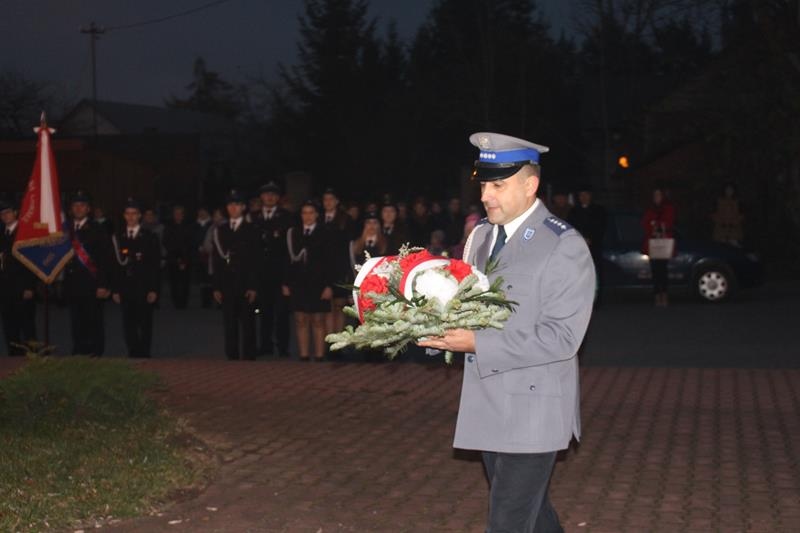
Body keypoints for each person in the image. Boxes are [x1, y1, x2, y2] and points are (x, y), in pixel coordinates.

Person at [419, 132, 595, 533]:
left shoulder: (563, 244)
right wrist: (430, 326)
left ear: (530, 185)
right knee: (534, 516)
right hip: (489, 402)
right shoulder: (480, 236)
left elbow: (562, 338)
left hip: (535, 409)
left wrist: (477, 343)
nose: (486, 195)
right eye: (484, 184)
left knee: (507, 521)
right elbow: (467, 306)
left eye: (498, 185)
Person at [282, 201, 334, 360]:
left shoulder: (325, 232)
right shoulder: (293, 233)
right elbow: (286, 259)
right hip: (298, 282)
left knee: (318, 320)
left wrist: (329, 285)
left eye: (311, 212)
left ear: (317, 215)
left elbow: (331, 261)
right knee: (300, 319)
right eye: (304, 213)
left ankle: (319, 356)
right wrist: (285, 282)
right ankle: (304, 356)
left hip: (319, 282)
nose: (308, 216)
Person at [212, 190, 261, 360]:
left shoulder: (251, 229)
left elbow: (256, 260)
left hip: (245, 282)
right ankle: (231, 355)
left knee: (248, 321)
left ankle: (249, 355)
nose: (233, 208)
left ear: (243, 207)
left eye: (237, 205)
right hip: (227, 282)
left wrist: (253, 286)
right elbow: (216, 260)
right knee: (229, 321)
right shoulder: (221, 230)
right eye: (230, 205)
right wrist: (216, 286)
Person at [64, 190, 112, 356]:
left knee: (94, 321)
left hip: (92, 283)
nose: (78, 208)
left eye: (82, 205)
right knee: (76, 321)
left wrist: (103, 284)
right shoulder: (65, 229)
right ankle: (79, 350)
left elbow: (105, 259)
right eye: (75, 205)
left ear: (88, 209)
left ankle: (95, 353)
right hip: (72, 283)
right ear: (71, 209)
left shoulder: (98, 229)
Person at [110, 198, 161, 357]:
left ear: (140, 216)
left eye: (134, 213)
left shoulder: (150, 237)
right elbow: (115, 266)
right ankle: (133, 352)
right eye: (128, 213)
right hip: (125, 287)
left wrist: (153, 289)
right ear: (124, 216)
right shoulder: (118, 237)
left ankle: (144, 353)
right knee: (128, 322)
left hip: (143, 286)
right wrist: (115, 289)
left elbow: (154, 266)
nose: (131, 217)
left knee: (145, 322)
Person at [254, 181, 292, 357]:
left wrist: (287, 278)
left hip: (280, 272)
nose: (269, 197)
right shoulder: (254, 217)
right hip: (261, 272)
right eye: (266, 194)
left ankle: (283, 347)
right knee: (264, 311)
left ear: (278, 198)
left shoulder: (286, 217)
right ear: (261, 197)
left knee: (282, 312)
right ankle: (265, 345)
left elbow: (288, 250)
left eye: (273, 194)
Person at [0, 200, 37, 355]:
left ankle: (32, 358)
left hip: (22, 287)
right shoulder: (2, 233)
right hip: (5, 287)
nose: (4, 216)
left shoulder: (24, 233)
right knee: (9, 326)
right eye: (2, 213)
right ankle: (14, 357)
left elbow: (33, 261)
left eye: (8, 212)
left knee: (27, 325)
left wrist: (30, 286)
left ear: (15, 213)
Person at [321, 188, 355, 341]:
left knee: (339, 306)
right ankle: (329, 341)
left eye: (331, 199)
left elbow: (348, 246)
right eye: (325, 199)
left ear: (336, 201)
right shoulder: (319, 218)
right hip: (323, 268)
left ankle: (339, 341)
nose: (328, 202)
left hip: (340, 267)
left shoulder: (345, 219)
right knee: (327, 307)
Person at [568, 184, 607, 303]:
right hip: (578, 249)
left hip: (594, 247)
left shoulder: (599, 211)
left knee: (595, 274)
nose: (583, 197)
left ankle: (596, 300)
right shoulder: (574, 211)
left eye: (586, 195)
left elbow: (602, 227)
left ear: (590, 196)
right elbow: (570, 228)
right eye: (581, 195)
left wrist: (592, 239)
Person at [642, 187, 676, 307]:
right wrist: (653, 229)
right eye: (655, 195)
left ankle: (664, 294)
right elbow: (645, 223)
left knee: (663, 270)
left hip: (664, 243)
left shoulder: (668, 208)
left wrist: (660, 227)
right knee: (655, 271)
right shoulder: (649, 209)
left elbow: (669, 222)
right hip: (653, 244)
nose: (657, 197)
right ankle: (657, 294)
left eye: (659, 195)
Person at [163, 204, 193, 309]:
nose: (178, 216)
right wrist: (176, 257)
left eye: (180, 214)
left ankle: (183, 303)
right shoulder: (168, 226)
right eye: (176, 214)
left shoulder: (188, 226)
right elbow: (166, 241)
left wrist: (184, 258)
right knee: (174, 282)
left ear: (183, 215)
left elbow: (190, 243)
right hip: (173, 258)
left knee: (185, 282)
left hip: (186, 257)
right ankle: (176, 303)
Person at [194, 207, 213, 308]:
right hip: (198, 255)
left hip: (210, 254)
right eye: (200, 212)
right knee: (202, 278)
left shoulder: (211, 224)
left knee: (210, 278)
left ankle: (210, 300)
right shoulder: (195, 224)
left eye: (204, 212)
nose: (202, 214)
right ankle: (204, 300)